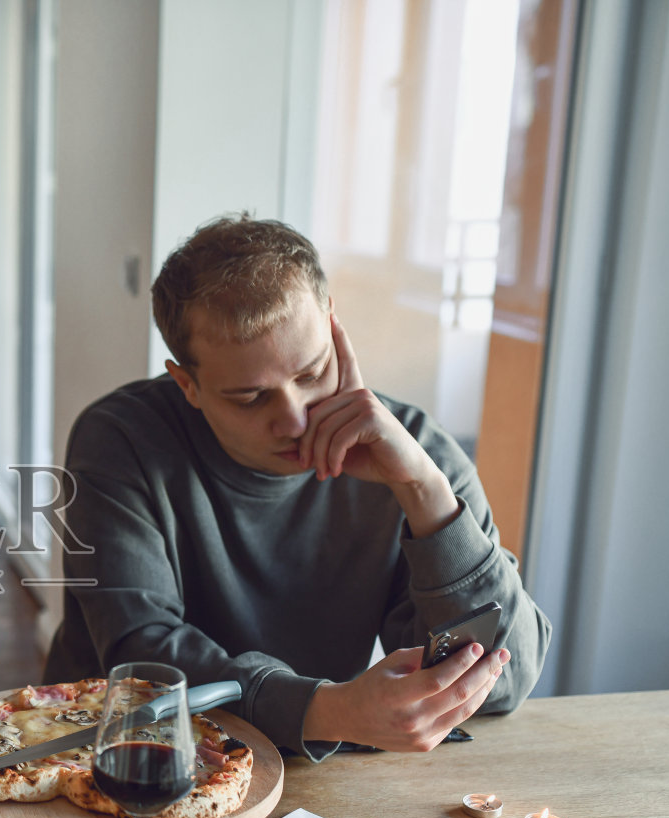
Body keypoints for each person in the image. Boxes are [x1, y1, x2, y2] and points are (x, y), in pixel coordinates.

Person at [44, 214, 551, 759]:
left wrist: (424, 492)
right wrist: (328, 710)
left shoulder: (413, 449)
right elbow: (139, 659)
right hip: (125, 761)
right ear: (187, 384)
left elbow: (506, 678)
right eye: (250, 397)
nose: (294, 419)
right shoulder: (121, 440)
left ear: (335, 329)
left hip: (313, 773)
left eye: (312, 373)